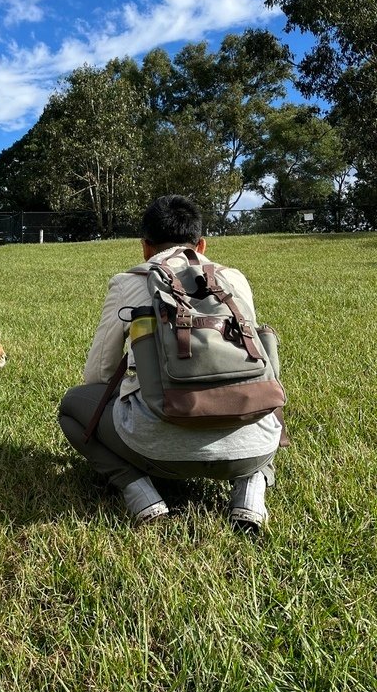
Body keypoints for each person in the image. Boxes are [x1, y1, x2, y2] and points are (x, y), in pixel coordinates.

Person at [58, 194, 283, 531]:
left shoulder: (128, 281)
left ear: (145, 248)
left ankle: (140, 493)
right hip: (253, 447)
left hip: (155, 451)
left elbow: (99, 373)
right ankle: (251, 489)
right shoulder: (234, 278)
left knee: (71, 408)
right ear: (202, 244)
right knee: (266, 413)